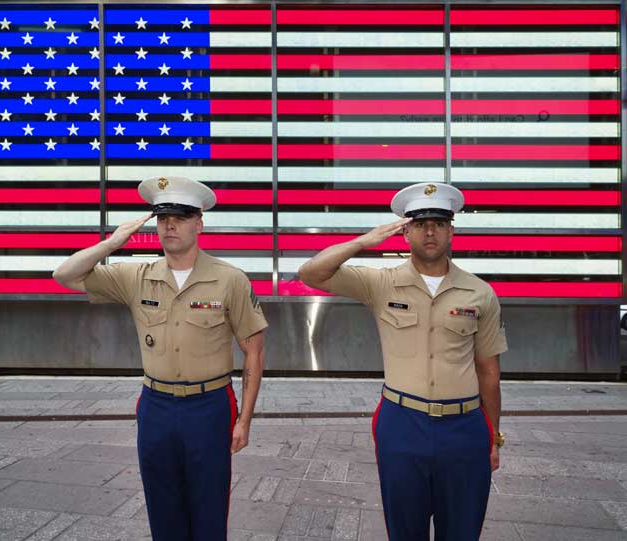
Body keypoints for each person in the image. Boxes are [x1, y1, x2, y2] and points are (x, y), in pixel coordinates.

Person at [52, 175, 268, 541]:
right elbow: (64, 275)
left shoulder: (230, 279)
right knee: (161, 505)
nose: (170, 225)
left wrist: (244, 420)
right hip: (156, 407)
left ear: (199, 224)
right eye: (163, 217)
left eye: (181, 217)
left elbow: (254, 351)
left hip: (210, 406)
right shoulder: (137, 275)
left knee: (209, 507)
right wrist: (113, 242)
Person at [298, 182, 507, 540]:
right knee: (404, 530)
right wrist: (363, 241)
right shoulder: (381, 283)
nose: (430, 231)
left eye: (439, 223)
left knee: (463, 529)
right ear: (405, 231)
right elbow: (311, 273)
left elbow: (489, 371)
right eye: (421, 223)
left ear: (451, 230)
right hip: (402, 424)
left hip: (465, 428)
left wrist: (493, 437)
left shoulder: (480, 293)